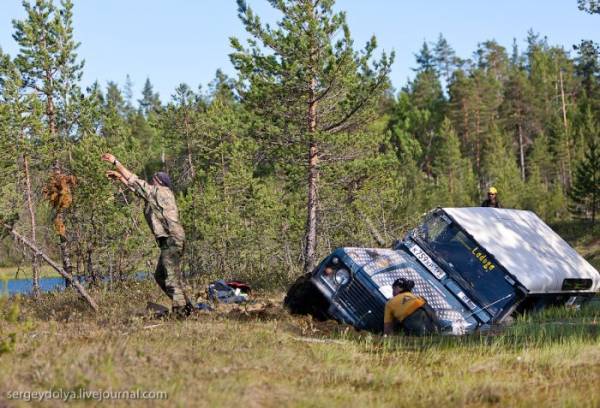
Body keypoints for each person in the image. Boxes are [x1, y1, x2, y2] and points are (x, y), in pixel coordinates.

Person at [101, 153, 193, 317]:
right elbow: (137, 189)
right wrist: (119, 177)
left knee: (171, 277)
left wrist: (116, 162)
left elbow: (136, 181)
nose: (151, 181)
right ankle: (186, 305)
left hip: (171, 238)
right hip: (170, 239)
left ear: (159, 182)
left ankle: (181, 312)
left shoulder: (161, 192)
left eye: (153, 179)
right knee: (160, 275)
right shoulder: (157, 194)